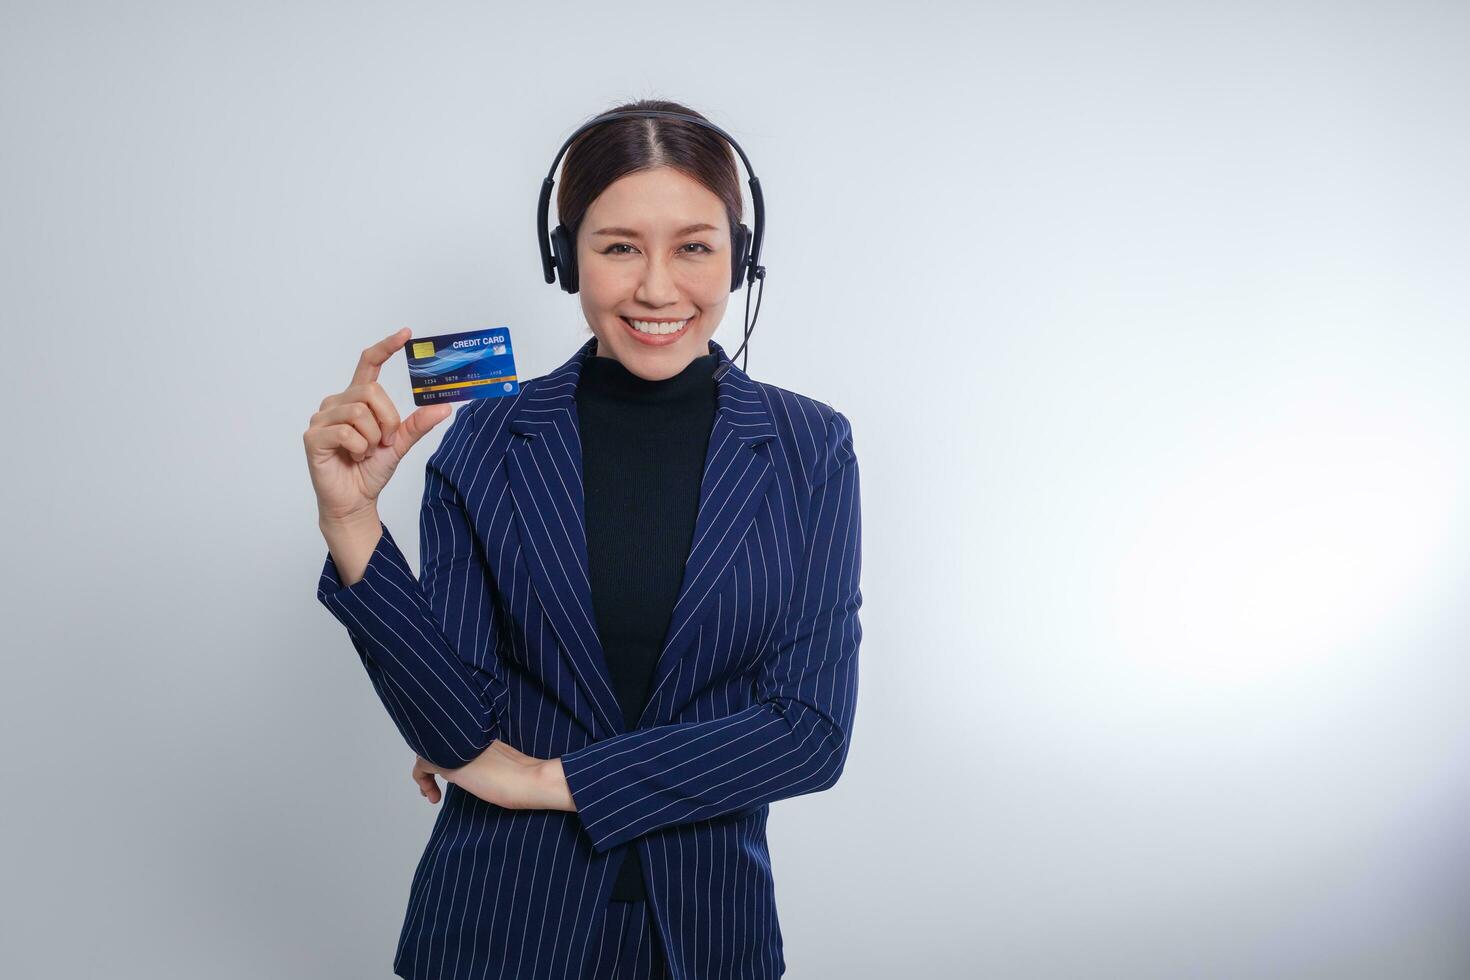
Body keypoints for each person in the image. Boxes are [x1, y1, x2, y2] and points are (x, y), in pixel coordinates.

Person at [302, 99, 863, 980]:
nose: (657, 288)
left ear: (740, 256)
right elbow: (456, 728)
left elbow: (809, 733)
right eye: (618, 247)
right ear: (566, 259)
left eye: (693, 246)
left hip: (711, 935)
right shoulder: (488, 438)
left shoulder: (808, 447)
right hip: (497, 928)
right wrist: (352, 522)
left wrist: (544, 780)